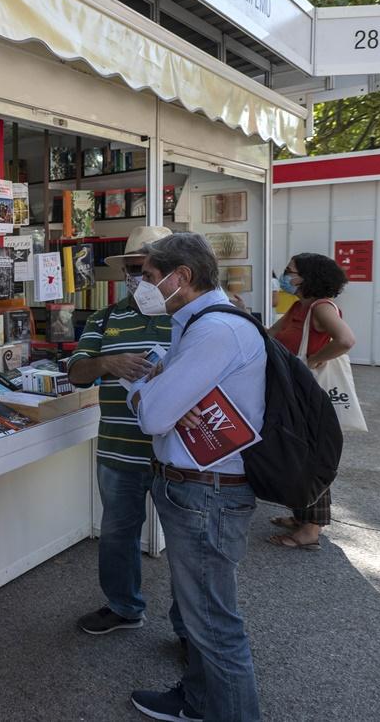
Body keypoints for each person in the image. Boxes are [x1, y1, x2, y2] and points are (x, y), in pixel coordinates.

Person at [125, 232, 266, 722]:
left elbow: (152, 415)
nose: (140, 285)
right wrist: (152, 390)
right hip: (195, 487)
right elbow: (145, 391)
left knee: (213, 624)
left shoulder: (214, 332)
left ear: (179, 278)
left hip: (207, 492)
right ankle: (200, 699)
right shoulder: (196, 324)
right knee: (199, 614)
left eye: (147, 276)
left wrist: (152, 392)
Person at [67, 226, 185, 647]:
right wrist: (106, 363)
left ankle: (189, 629)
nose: (140, 278)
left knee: (187, 548)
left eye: (149, 269)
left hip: (177, 454)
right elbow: (76, 374)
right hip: (119, 450)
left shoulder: (190, 318)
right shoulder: (106, 318)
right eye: (133, 269)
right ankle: (123, 607)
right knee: (118, 534)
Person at [266, 253, 355, 550]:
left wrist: (314, 360)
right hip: (295, 393)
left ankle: (311, 529)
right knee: (296, 452)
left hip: (311, 395)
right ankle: (301, 515)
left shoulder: (321, 307)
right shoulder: (298, 307)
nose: (286, 276)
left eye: (290, 272)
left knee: (312, 456)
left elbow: (345, 340)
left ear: (308, 277)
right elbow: (270, 336)